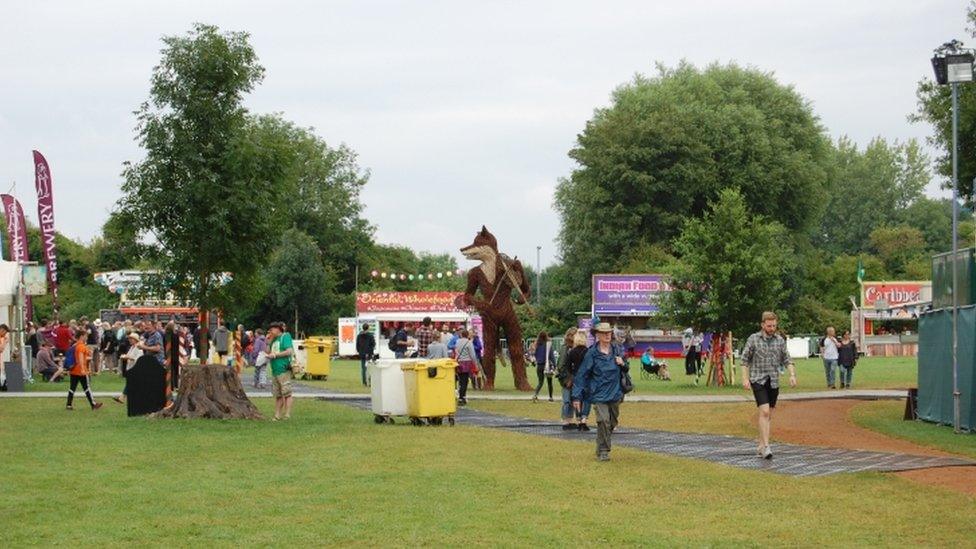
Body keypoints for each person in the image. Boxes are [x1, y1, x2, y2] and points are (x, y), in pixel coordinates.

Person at [740, 311, 797, 460]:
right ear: (763, 325)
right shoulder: (753, 339)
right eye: (769, 325)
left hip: (773, 381)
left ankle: (760, 444)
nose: (772, 328)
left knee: (768, 414)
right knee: (764, 412)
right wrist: (745, 378)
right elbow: (744, 360)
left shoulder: (779, 341)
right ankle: (766, 447)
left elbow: (787, 360)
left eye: (774, 325)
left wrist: (792, 375)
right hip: (757, 379)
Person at [572, 322, 626, 461]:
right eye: (604, 333)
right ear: (597, 335)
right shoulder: (592, 353)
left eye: (609, 332)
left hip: (615, 393)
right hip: (599, 394)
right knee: (603, 421)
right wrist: (576, 397)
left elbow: (626, 368)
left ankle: (600, 444)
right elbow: (581, 375)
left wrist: (623, 363)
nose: (608, 335)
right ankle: (603, 451)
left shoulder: (616, 349)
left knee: (611, 423)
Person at [558, 329, 592, 431]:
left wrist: (572, 375)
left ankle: (573, 419)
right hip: (585, 379)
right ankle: (582, 420)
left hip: (575, 379)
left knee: (575, 400)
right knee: (585, 400)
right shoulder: (588, 352)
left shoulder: (571, 351)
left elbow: (566, 366)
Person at [63, 329, 103, 411]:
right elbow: (80, 358)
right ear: (81, 336)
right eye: (86, 336)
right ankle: (93, 404)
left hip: (73, 370)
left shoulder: (75, 345)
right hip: (81, 371)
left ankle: (69, 404)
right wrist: (82, 369)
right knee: (87, 388)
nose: (87, 337)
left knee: (72, 388)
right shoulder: (81, 346)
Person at [267, 322, 295, 421]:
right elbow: (267, 351)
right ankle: (277, 415)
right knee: (278, 395)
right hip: (275, 370)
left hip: (283, 369)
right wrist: (269, 340)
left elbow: (289, 351)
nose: (270, 331)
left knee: (287, 393)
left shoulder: (285, 336)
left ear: (278, 329)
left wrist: (275, 355)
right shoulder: (273, 340)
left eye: (272, 329)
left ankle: (287, 415)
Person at [454, 329, 480, 406]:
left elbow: (456, 351)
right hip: (466, 362)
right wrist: (475, 364)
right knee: (465, 381)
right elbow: (472, 355)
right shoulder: (469, 343)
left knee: (461, 380)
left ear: (461, 335)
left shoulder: (457, 342)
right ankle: (462, 397)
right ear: (467, 335)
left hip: (459, 362)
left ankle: (461, 395)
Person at [530, 331, 557, 402]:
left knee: (540, 382)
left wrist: (534, 362)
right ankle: (550, 397)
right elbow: (551, 356)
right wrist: (555, 365)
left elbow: (533, 355)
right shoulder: (548, 345)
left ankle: (535, 395)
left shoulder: (537, 345)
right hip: (547, 366)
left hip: (539, 366)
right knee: (549, 382)